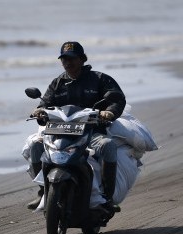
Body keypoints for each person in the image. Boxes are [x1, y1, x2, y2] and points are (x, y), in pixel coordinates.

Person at [26, 41, 126, 211]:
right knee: (35, 146)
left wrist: (109, 112)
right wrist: (39, 111)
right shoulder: (57, 82)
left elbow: (118, 99)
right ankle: (43, 191)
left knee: (108, 146)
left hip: (91, 131)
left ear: (82, 59)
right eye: (64, 59)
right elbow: (45, 103)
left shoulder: (99, 79)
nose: (67, 62)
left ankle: (107, 198)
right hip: (59, 132)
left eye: (72, 58)